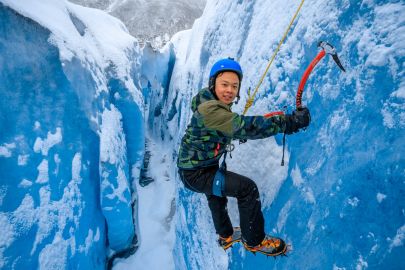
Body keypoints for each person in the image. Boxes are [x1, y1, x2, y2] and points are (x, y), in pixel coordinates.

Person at [177, 58, 310, 256]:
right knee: (247, 190)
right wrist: (288, 123)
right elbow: (245, 127)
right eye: (224, 84)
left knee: (216, 196)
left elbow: (228, 127)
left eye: (234, 86)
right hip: (197, 173)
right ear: (213, 84)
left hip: (198, 167)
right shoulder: (210, 110)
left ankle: (226, 235)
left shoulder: (209, 101)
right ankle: (254, 241)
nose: (229, 90)